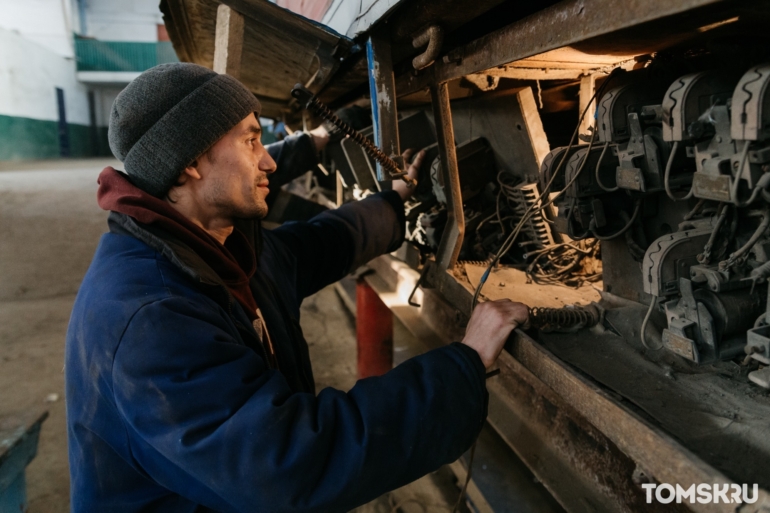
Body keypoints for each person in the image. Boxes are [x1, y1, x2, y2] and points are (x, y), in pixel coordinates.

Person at [65, 62, 529, 513]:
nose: (268, 159)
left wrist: (395, 201)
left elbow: (314, 248)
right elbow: (291, 465)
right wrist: (464, 363)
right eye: (250, 141)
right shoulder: (151, 318)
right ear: (189, 163)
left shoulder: (210, 246)